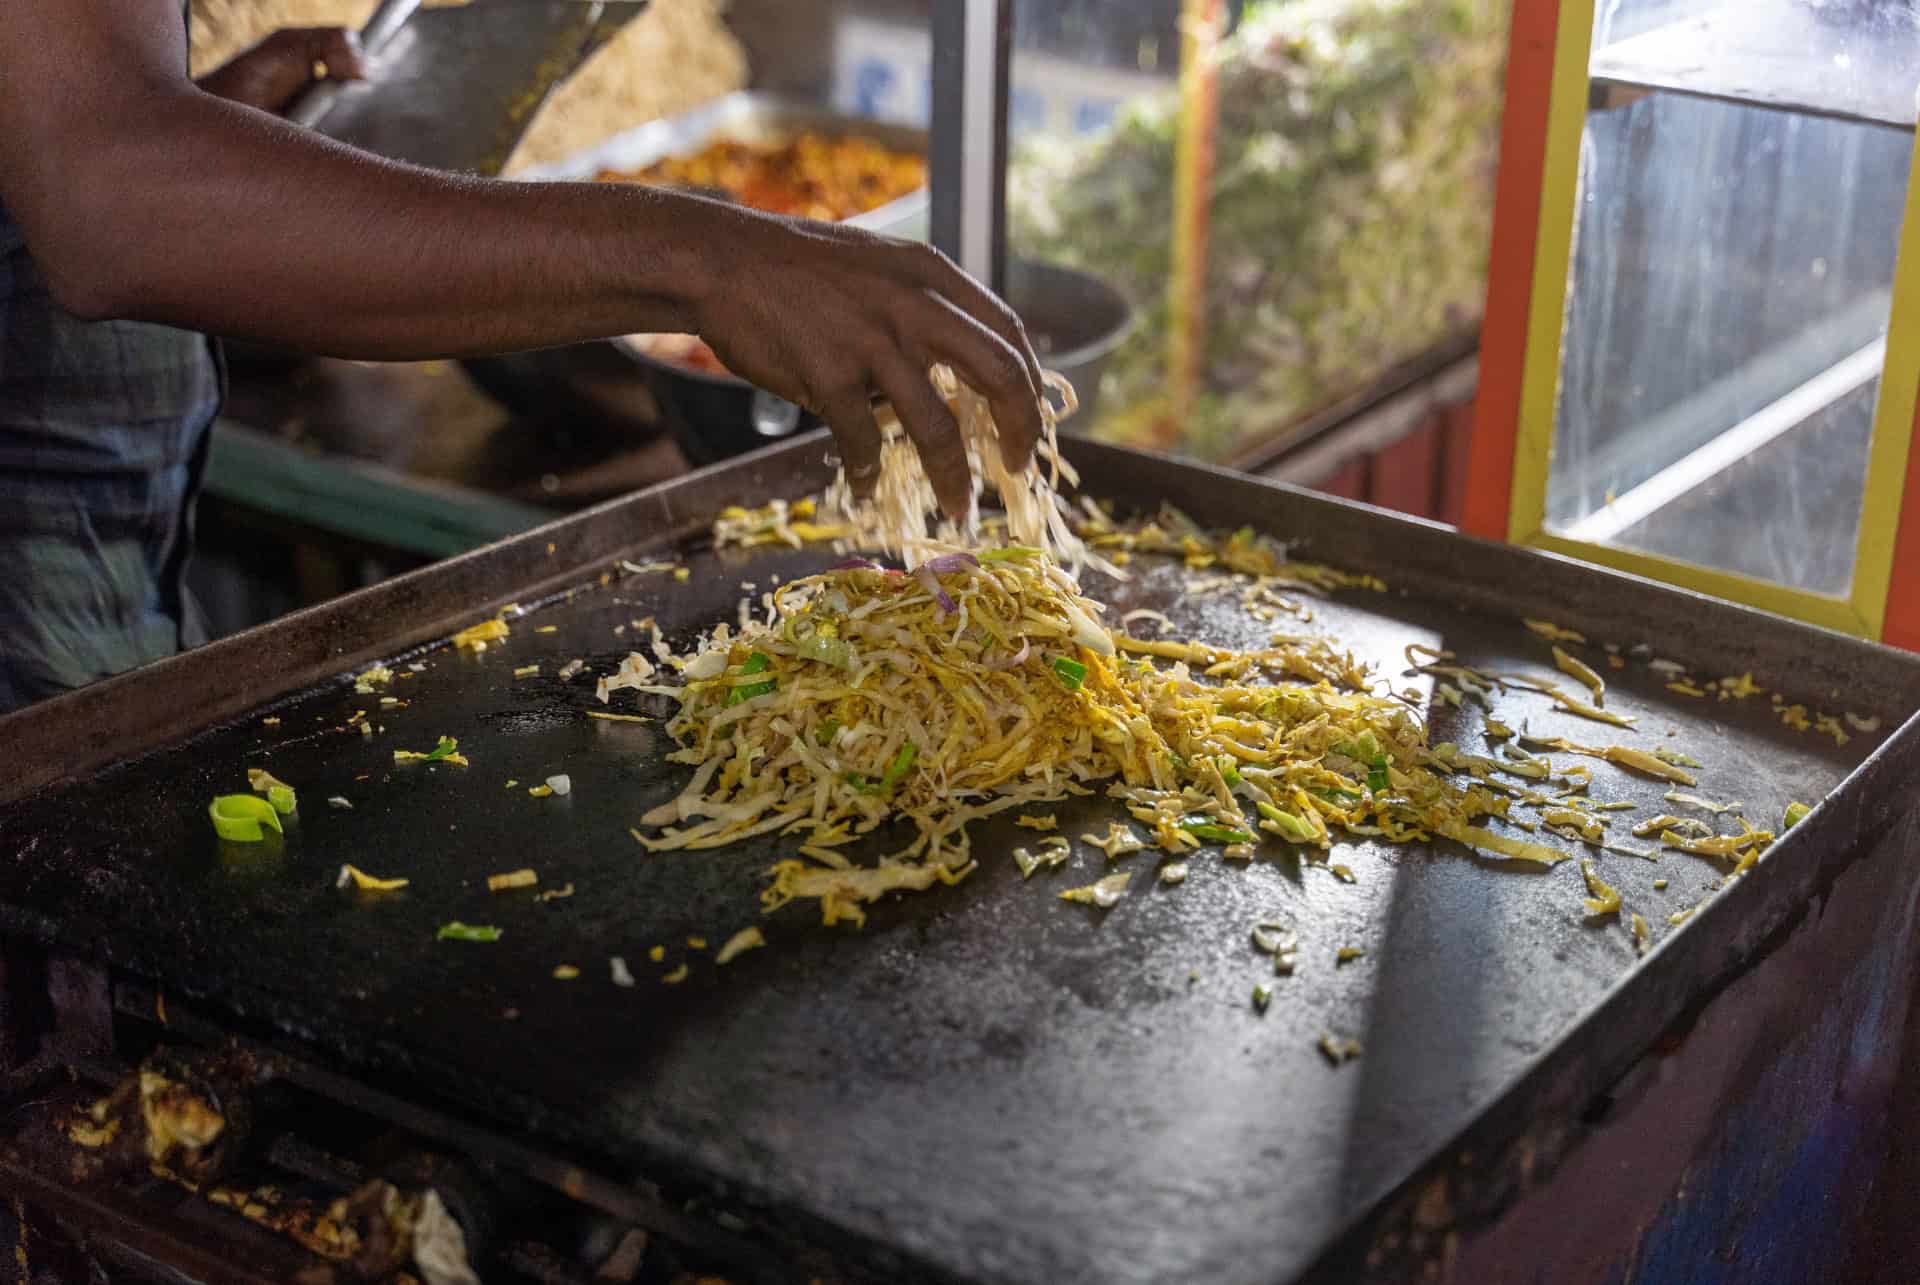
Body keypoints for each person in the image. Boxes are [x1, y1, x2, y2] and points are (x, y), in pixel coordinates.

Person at [0, 3, 1044, 713]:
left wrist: (198, 130)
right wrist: (706, 258)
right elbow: (109, 201)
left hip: (100, 598)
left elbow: (79, 157)